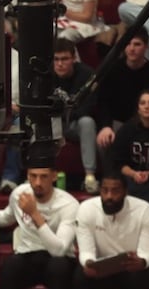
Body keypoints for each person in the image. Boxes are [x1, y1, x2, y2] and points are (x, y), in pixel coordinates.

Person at [95, 28, 149, 167]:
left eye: (137, 44)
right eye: (128, 44)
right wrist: (105, 126)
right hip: (118, 124)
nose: (131, 48)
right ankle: (112, 180)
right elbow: (103, 103)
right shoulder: (112, 71)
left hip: (146, 124)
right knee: (104, 139)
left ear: (146, 46)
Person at [52, 38, 99, 193]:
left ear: (73, 59)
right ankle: (38, 173)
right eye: (56, 59)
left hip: (75, 123)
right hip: (53, 123)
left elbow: (89, 107)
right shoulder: (47, 76)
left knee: (87, 122)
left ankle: (90, 177)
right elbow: (45, 108)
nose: (60, 63)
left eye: (64, 59)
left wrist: (67, 115)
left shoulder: (86, 74)